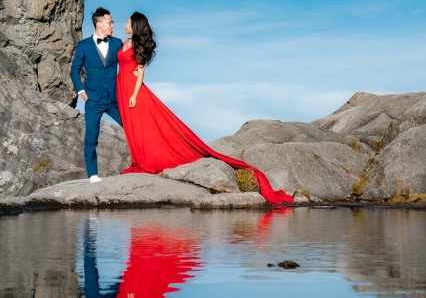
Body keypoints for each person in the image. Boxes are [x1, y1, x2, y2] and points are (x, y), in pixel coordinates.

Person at [116, 11, 294, 204]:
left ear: (135, 25)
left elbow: (141, 73)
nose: (124, 24)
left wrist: (134, 95)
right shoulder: (124, 42)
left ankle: (143, 161)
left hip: (134, 91)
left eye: (127, 21)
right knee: (132, 126)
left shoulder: (140, 46)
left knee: (142, 126)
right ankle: (137, 160)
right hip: (122, 87)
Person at [70, 7, 123, 183]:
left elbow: (126, 65)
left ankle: (144, 163)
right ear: (99, 24)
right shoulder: (83, 45)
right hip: (93, 98)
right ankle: (93, 174)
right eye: (110, 22)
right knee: (91, 137)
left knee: (132, 128)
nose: (113, 25)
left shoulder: (117, 43)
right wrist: (82, 93)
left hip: (115, 98)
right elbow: (74, 71)